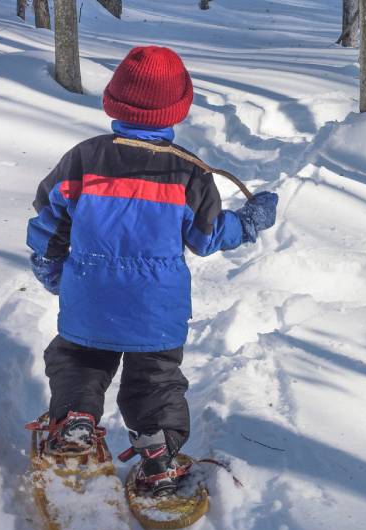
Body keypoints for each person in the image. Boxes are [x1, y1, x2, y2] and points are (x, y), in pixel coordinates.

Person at [26, 46, 279, 495]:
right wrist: (251, 220)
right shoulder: (188, 171)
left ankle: (76, 420)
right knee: (156, 382)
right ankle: (159, 453)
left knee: (78, 360)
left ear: (113, 101)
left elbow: (49, 218)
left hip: (91, 301)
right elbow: (207, 237)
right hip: (156, 312)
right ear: (178, 107)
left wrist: (50, 268)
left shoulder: (84, 159)